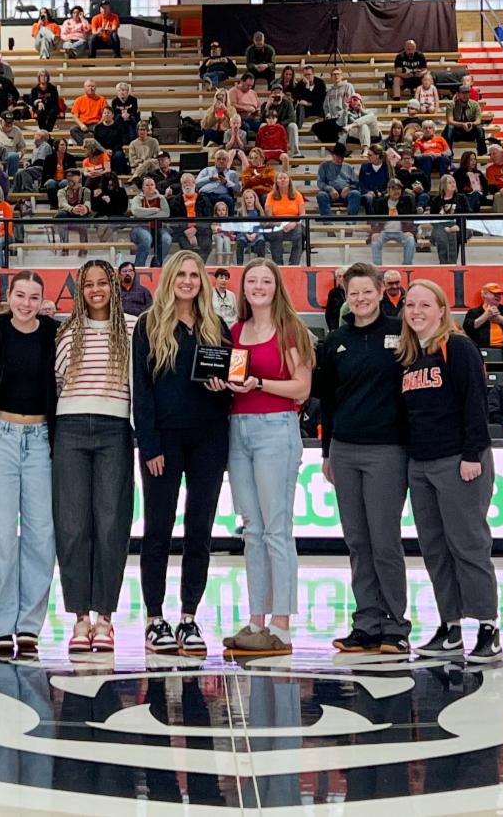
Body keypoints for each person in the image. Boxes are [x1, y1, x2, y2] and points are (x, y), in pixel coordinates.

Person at [131, 251, 232, 655]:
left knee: (199, 530)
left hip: (209, 440)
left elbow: (229, 386)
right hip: (164, 442)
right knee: (157, 530)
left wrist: (223, 389)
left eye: (194, 274)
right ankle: (154, 618)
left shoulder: (217, 327)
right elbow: (142, 391)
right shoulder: (148, 325)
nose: (188, 281)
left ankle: (189, 617)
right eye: (181, 274)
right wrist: (150, 444)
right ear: (170, 279)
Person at [398, 279, 501, 663]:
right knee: (435, 549)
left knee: (469, 545)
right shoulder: (409, 356)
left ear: (441, 310)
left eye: (425, 304)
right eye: (410, 305)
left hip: (459, 460)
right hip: (421, 464)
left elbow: (475, 403)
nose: (416, 311)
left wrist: (472, 454)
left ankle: (488, 628)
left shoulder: (457, 347)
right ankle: (450, 627)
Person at [318, 262, 411, 654]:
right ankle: (366, 622)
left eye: (367, 292)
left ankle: (395, 625)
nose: (360, 299)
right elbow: (327, 401)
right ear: (346, 296)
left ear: (380, 292)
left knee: (384, 540)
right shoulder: (335, 341)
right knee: (357, 541)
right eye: (353, 293)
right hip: (345, 449)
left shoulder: (401, 333)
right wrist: (327, 451)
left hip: (388, 449)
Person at [221, 259, 314, 653]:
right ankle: (256, 620)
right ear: (243, 289)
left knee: (276, 529)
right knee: (252, 529)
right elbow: (234, 379)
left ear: (277, 287)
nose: (258, 287)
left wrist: (260, 383)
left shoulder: (290, 329)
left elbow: (301, 388)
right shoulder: (235, 331)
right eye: (252, 281)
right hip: (238, 429)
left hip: (276, 428)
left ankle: (281, 624)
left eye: (266, 281)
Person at [53, 261, 137, 654]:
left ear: (114, 288)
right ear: (80, 290)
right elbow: (57, 382)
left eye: (103, 283)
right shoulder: (66, 332)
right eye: (88, 284)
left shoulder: (133, 329)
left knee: (111, 524)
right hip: (70, 428)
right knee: (72, 526)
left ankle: (105, 618)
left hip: (114, 429)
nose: (96, 290)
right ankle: (80, 618)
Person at [0, 273, 59, 655]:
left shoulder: (54, 334)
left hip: (41, 439)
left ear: (43, 301)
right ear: (9, 296)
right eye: (20, 295)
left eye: (34, 297)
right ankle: (0, 625)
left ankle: (29, 625)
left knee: (41, 535)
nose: (26, 303)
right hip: (2, 437)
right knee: (0, 536)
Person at [369, 179, 417, 266]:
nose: (396, 191)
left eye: (398, 189)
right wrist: (375, 232)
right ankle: (378, 267)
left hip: (401, 232)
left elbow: (411, 218)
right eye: (393, 189)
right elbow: (374, 219)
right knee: (375, 240)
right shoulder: (380, 202)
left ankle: (407, 266)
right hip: (383, 232)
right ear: (388, 190)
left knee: (410, 240)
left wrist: (410, 231)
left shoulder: (407, 201)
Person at [168, 172, 213, 263]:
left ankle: (199, 265)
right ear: (181, 185)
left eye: (189, 182)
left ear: (194, 183)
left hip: (201, 230)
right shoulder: (175, 201)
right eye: (185, 183)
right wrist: (187, 231)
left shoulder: (204, 199)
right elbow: (173, 221)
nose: (187, 185)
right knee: (187, 249)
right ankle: (192, 266)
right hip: (183, 232)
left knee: (206, 244)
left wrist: (195, 229)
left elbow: (208, 218)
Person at [263, 170, 306, 266]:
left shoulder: (297, 195)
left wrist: (294, 223)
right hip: (276, 223)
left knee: (299, 233)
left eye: (285, 178)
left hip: (293, 223)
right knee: (276, 232)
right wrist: (279, 223)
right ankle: (278, 264)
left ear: (289, 180)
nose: (282, 180)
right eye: (280, 178)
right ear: (276, 181)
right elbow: (269, 215)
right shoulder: (270, 196)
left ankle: (294, 264)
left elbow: (302, 214)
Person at [129, 176, 171, 268]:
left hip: (158, 228)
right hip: (140, 228)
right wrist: (155, 210)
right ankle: (139, 267)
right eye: (147, 185)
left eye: (152, 185)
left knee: (166, 239)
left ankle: (156, 264)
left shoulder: (161, 198)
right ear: (143, 187)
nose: (150, 187)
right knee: (146, 238)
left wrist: (145, 216)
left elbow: (166, 214)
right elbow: (136, 212)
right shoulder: (138, 198)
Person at [462, 282, 503, 349]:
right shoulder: (474, 312)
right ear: (484, 294)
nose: (497, 296)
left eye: (499, 294)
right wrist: (486, 316)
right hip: (482, 348)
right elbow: (467, 328)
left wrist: (502, 320)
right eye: (494, 294)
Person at [316, 143, 361, 218]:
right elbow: (320, 182)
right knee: (321, 195)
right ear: (333, 155)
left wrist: (349, 188)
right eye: (338, 157)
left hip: (346, 193)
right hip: (330, 193)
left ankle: (351, 221)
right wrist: (330, 189)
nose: (340, 159)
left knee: (356, 194)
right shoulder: (324, 165)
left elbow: (356, 183)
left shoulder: (349, 167)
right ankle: (327, 221)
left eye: (342, 157)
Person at [443, 86, 487, 155]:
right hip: (457, 133)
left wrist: (470, 124)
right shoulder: (451, 105)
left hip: (470, 131)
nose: (465, 95)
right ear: (458, 94)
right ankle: (449, 153)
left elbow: (478, 121)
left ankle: (482, 154)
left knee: (480, 128)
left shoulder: (475, 104)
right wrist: (462, 125)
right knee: (449, 127)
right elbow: (450, 121)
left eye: (467, 93)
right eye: (463, 93)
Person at [69, 79, 106, 146]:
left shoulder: (102, 100)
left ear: (95, 88)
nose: (90, 88)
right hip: (83, 124)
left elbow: (105, 115)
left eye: (92, 86)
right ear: (84, 88)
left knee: (100, 129)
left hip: (96, 124)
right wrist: (81, 125)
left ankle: (96, 146)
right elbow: (75, 116)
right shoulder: (79, 100)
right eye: (88, 86)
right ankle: (85, 146)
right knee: (73, 129)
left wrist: (99, 124)